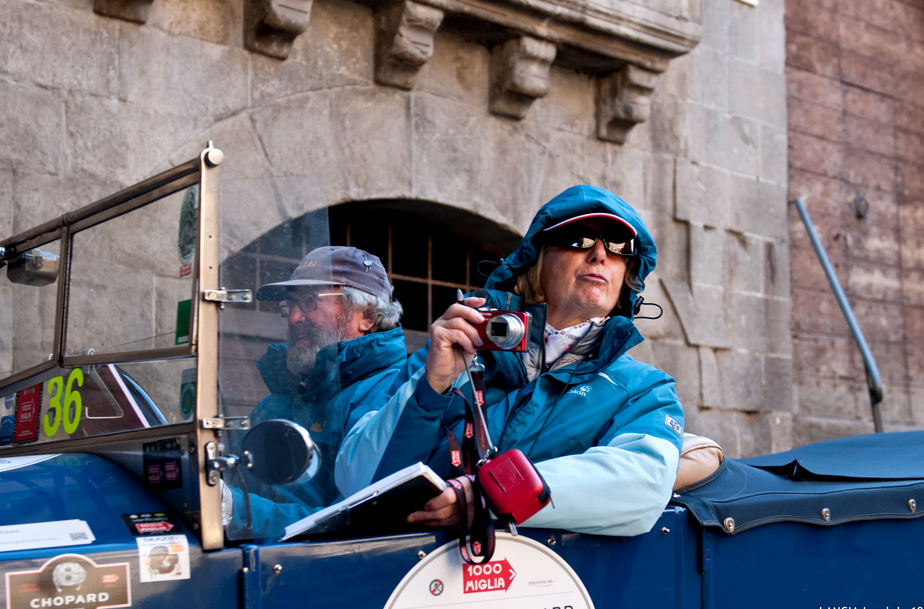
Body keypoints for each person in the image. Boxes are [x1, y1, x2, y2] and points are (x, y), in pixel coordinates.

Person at [335, 185, 683, 537]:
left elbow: (642, 486)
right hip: (415, 577)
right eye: (579, 238)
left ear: (628, 275)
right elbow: (359, 482)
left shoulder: (644, 390)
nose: (598, 254)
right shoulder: (452, 351)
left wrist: (490, 495)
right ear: (537, 258)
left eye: (617, 246)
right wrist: (431, 387)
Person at [222, 246, 405, 538]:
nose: (293, 317)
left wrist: (234, 509)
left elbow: (355, 525)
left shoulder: (389, 396)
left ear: (367, 315)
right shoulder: (277, 402)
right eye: (289, 304)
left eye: (309, 301)